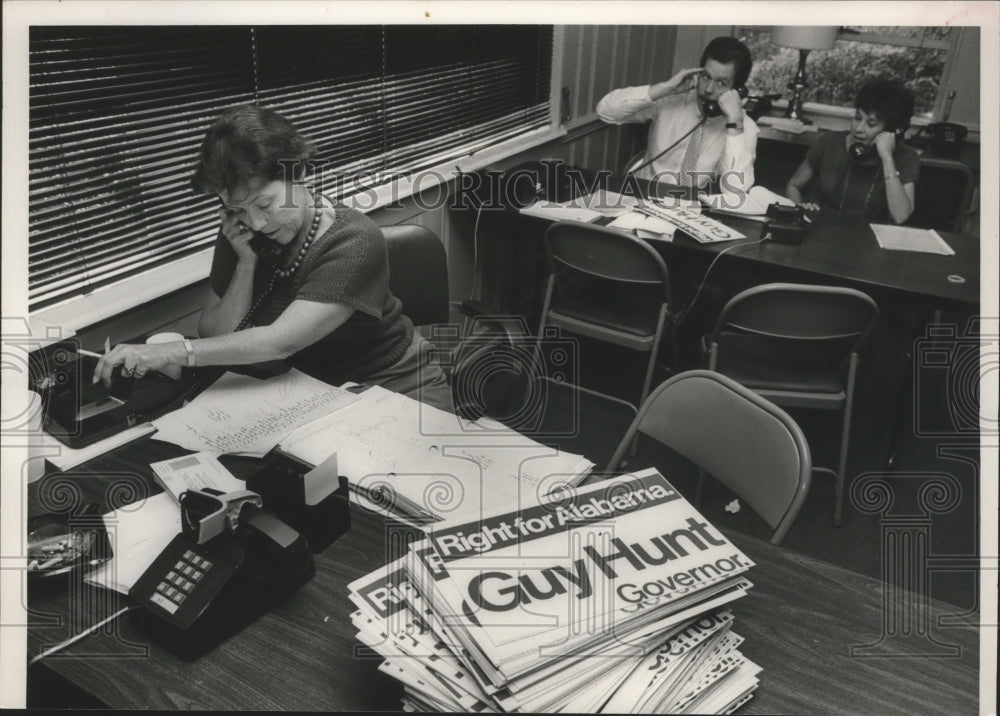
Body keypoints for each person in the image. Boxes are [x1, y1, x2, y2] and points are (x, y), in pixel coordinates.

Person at [93, 104, 454, 413]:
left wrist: (170, 352)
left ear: (297, 172)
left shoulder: (354, 241)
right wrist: (246, 265)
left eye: (265, 204)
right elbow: (216, 333)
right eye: (237, 209)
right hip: (311, 392)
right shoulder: (244, 231)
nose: (257, 222)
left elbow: (281, 341)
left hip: (395, 386)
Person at [596, 36, 758, 191]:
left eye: (721, 83)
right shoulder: (672, 100)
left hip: (690, 207)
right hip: (643, 195)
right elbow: (605, 111)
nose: (708, 88)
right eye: (705, 76)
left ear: (737, 90)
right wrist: (664, 88)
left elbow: (736, 190)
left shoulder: (743, 126)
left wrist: (734, 124)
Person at [785, 79, 919, 224]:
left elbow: (901, 216)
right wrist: (800, 209)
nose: (859, 128)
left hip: (869, 241)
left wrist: (887, 158)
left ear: (892, 131)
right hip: (822, 233)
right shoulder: (829, 142)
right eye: (857, 118)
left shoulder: (906, 157)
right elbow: (793, 185)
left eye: (871, 124)